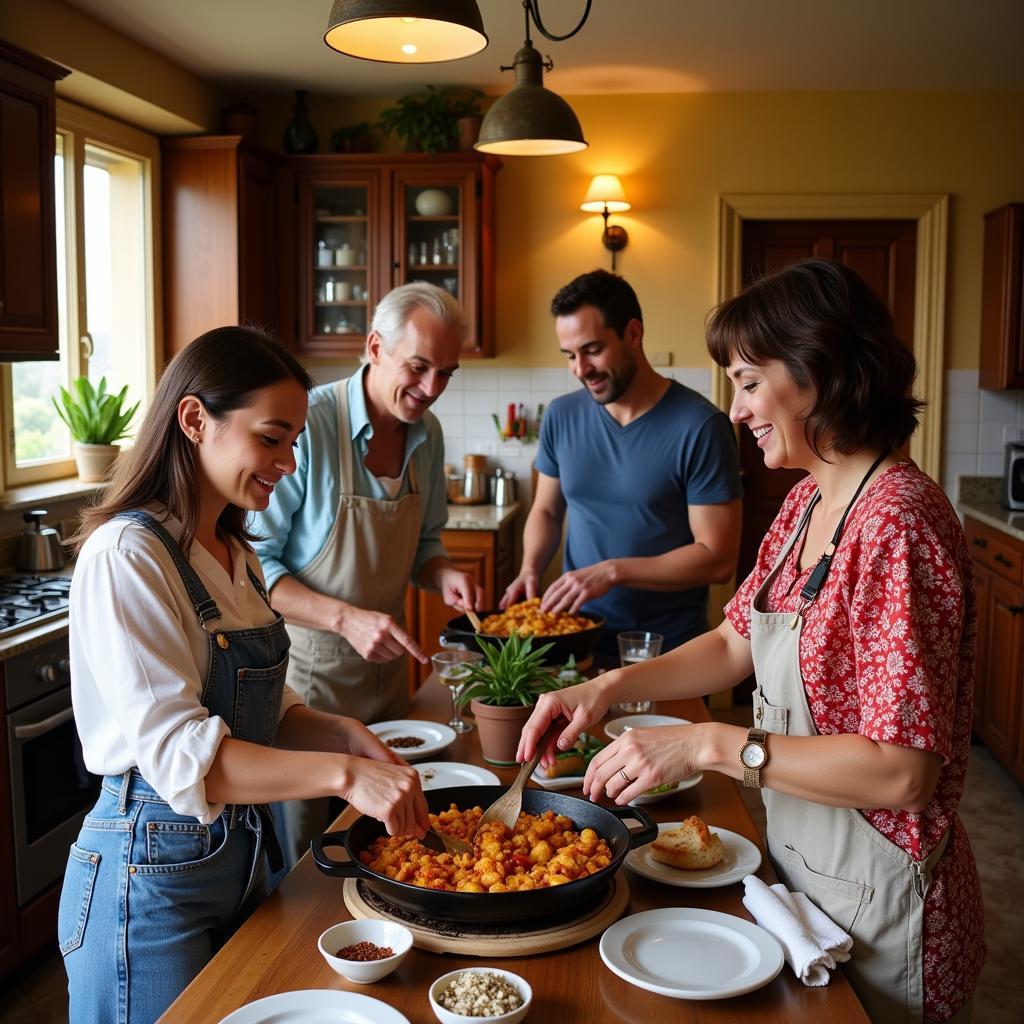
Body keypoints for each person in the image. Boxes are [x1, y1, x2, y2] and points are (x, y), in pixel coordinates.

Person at [519, 258, 984, 1024]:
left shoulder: (897, 523)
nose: (736, 412)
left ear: (818, 371)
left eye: (746, 380)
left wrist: (707, 744)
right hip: (813, 878)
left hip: (889, 906)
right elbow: (736, 640)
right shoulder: (810, 500)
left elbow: (905, 773)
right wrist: (602, 688)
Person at [59, 327, 430, 1024]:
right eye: (272, 438)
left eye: (295, 442)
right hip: (148, 881)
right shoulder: (126, 558)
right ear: (195, 420)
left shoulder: (235, 553)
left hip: (238, 860)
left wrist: (344, 735)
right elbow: (184, 760)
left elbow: (266, 709)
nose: (289, 461)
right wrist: (346, 778)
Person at [251, 282, 482, 864]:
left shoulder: (427, 438)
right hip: (310, 689)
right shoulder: (311, 426)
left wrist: (445, 574)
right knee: (312, 858)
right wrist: (345, 618)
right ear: (375, 346)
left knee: (390, 847)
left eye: (446, 374)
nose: (432, 389)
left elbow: (425, 543)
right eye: (419, 366)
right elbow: (257, 564)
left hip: (389, 689)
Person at [502, 269, 742, 657]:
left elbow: (716, 559)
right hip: (575, 637)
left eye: (592, 350)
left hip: (667, 649)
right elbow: (546, 510)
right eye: (569, 355)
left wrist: (613, 571)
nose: (580, 369)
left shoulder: (701, 426)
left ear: (633, 334)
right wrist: (530, 568)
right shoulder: (561, 416)